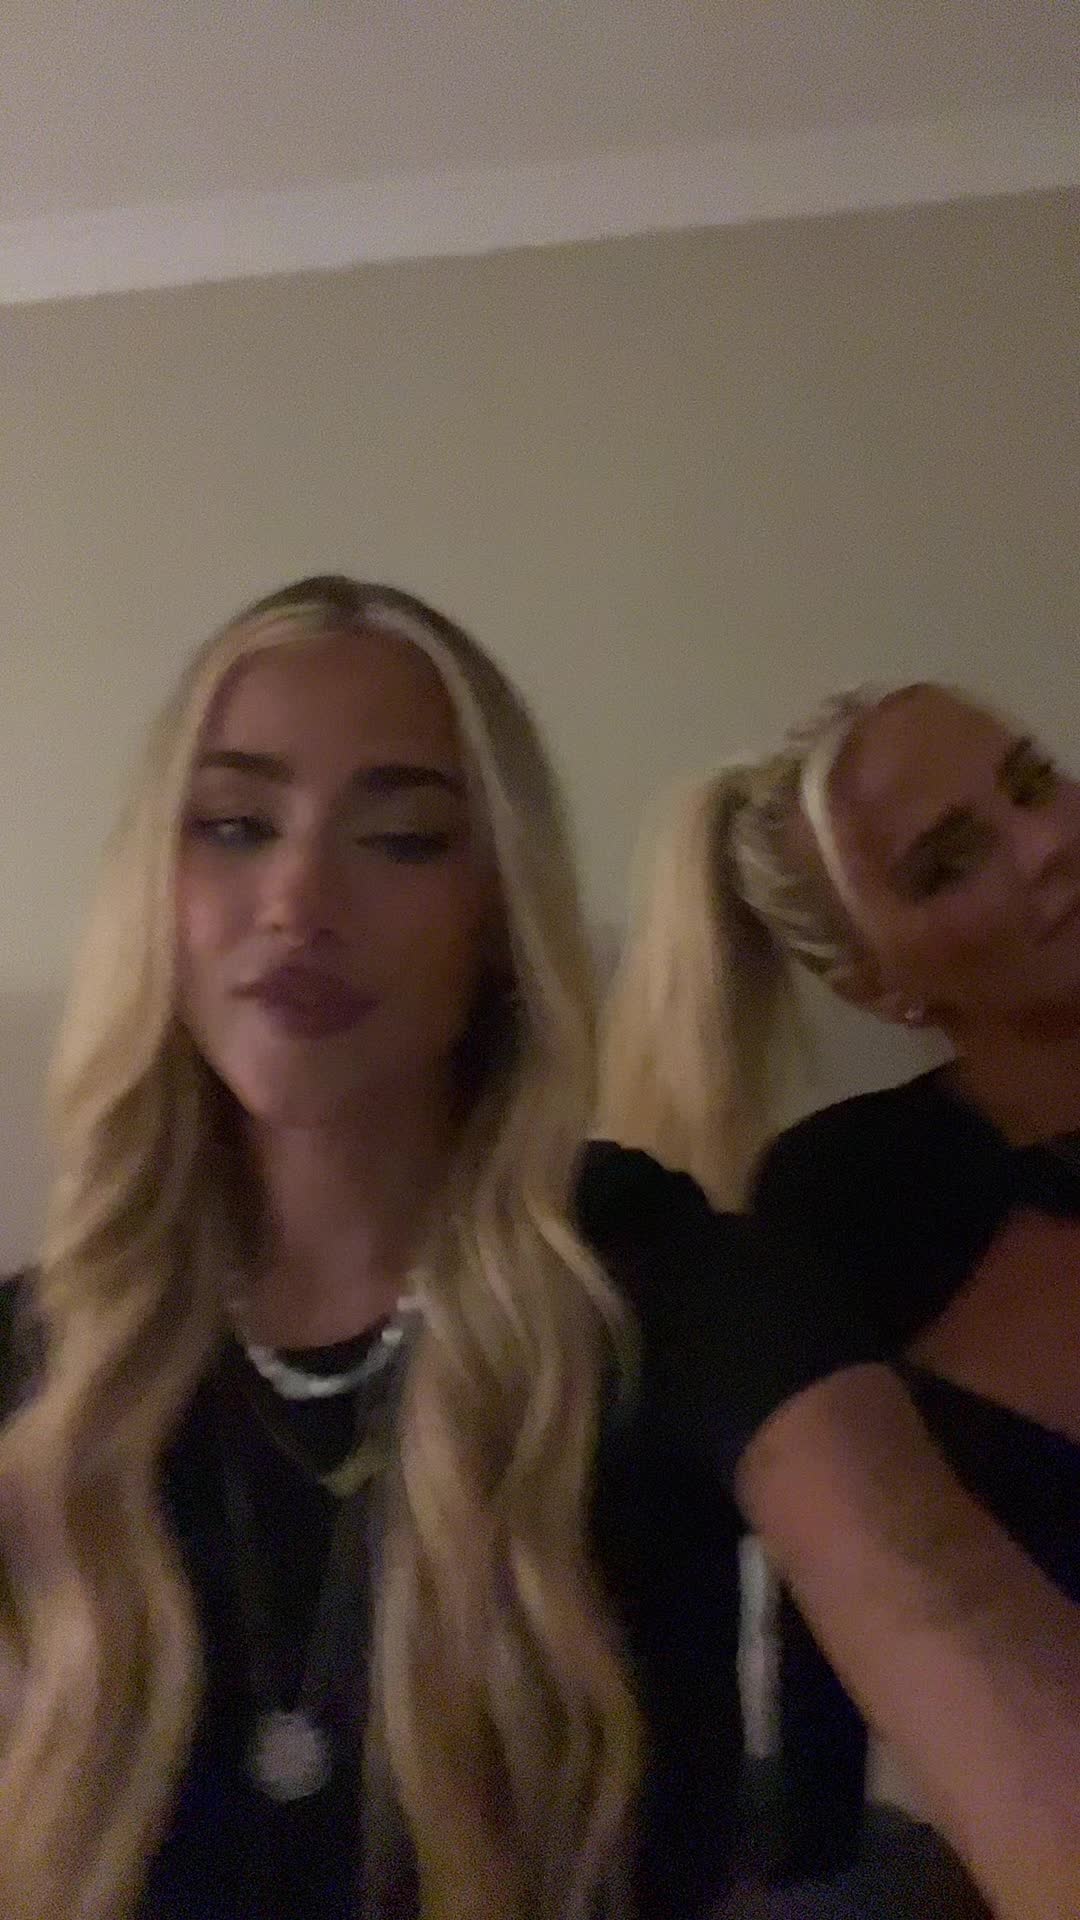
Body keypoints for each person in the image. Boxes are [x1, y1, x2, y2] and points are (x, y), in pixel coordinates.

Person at [1, 599, 1075, 1920]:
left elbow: (937, 1605)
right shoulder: (42, 1369)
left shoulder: (657, 1282)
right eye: (233, 825)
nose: (297, 900)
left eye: (404, 838)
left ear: (498, 925)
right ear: (150, 895)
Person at [599, 679, 1080, 1908]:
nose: (1048, 842)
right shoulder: (856, 1201)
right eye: (950, 861)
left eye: (1034, 782)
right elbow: (827, 1656)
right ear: (880, 984)